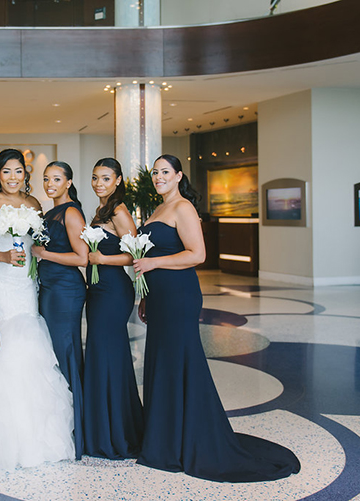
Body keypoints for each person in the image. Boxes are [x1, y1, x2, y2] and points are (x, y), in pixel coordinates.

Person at [134, 154, 300, 482]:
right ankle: (163, 438)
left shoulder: (182, 207)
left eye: (165, 172)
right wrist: (145, 295)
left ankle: (185, 439)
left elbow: (198, 254)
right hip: (159, 296)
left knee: (181, 362)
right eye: (155, 172)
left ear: (179, 175)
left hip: (179, 295)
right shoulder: (156, 209)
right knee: (162, 362)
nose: (158, 177)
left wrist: (153, 266)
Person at [0, 148, 75, 469]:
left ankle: (37, 431)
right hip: (1, 282)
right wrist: (2, 257)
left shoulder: (34, 205)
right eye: (6, 172)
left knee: (30, 344)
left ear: (25, 174)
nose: (13, 177)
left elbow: (40, 244)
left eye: (18, 171)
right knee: (4, 344)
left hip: (26, 285)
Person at [83, 157, 144, 459]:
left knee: (108, 354)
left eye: (105, 178)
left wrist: (102, 260)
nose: (99, 183)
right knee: (102, 353)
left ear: (118, 180)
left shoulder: (119, 211)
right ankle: (103, 426)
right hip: (97, 289)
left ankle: (115, 433)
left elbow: (136, 255)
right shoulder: (100, 210)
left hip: (113, 289)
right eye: (95, 177)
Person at [32, 161, 89, 460]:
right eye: (46, 179)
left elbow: (83, 257)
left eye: (56, 179)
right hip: (50, 287)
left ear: (68, 182)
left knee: (64, 350)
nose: (50, 183)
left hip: (66, 289)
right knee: (52, 351)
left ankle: (74, 424)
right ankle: (57, 418)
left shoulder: (71, 212)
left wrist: (43, 254)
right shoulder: (49, 211)